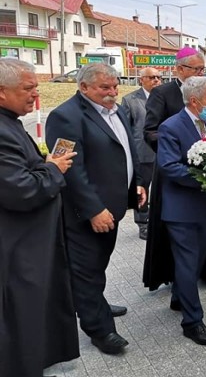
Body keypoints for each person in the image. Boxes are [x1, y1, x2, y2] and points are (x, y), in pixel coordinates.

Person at [45, 63, 146, 355]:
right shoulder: (65, 116)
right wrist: (92, 209)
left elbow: (128, 151)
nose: (112, 92)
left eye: (115, 86)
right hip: (86, 214)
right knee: (86, 271)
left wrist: (137, 183)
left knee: (97, 264)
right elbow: (69, 170)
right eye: (105, 87)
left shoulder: (118, 110)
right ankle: (99, 329)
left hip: (113, 209)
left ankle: (95, 303)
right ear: (84, 87)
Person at [0, 58, 79, 377]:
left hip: (28, 238)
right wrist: (53, 168)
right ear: (2, 92)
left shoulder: (10, 121)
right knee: (22, 308)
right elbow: (19, 189)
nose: (35, 95)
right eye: (28, 88)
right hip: (18, 243)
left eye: (36, 87)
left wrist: (43, 163)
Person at [143, 49, 206, 292]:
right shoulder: (162, 93)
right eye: (196, 69)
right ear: (180, 70)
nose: (200, 72)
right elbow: (151, 131)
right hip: (176, 170)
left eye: (202, 69)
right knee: (178, 232)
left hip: (204, 173)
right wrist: (182, 145)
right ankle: (179, 282)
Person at [157, 76, 206, 345]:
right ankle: (192, 322)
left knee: (194, 263)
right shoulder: (170, 127)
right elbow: (169, 167)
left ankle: (179, 298)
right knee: (187, 263)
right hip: (182, 209)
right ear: (194, 101)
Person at [121, 66, 162, 240]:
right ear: (141, 80)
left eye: (159, 77)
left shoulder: (163, 98)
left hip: (162, 151)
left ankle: (159, 220)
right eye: (152, 77)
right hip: (142, 152)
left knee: (161, 189)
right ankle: (143, 223)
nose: (156, 81)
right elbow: (126, 129)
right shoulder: (130, 100)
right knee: (142, 189)